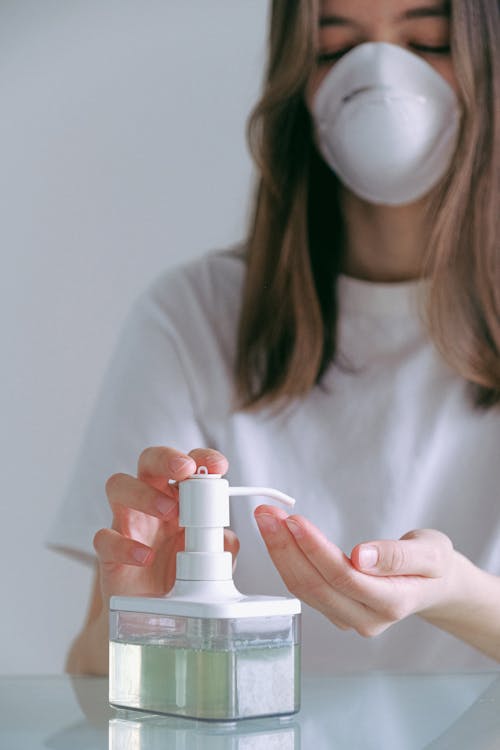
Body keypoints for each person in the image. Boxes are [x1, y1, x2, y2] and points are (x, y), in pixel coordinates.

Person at [47, 0, 500, 676]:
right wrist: (138, 622)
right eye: (333, 50)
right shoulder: (193, 315)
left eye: (426, 41)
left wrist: (462, 597)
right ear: (298, 82)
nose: (380, 80)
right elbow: (87, 673)